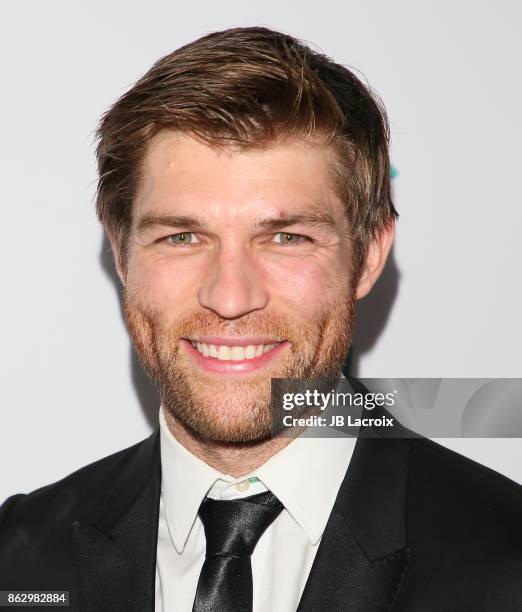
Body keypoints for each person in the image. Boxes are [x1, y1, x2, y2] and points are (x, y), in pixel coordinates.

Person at [1, 26, 521, 612]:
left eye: (285, 237)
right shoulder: (19, 560)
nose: (229, 296)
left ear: (369, 255)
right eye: (183, 236)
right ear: (121, 254)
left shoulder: (506, 562)